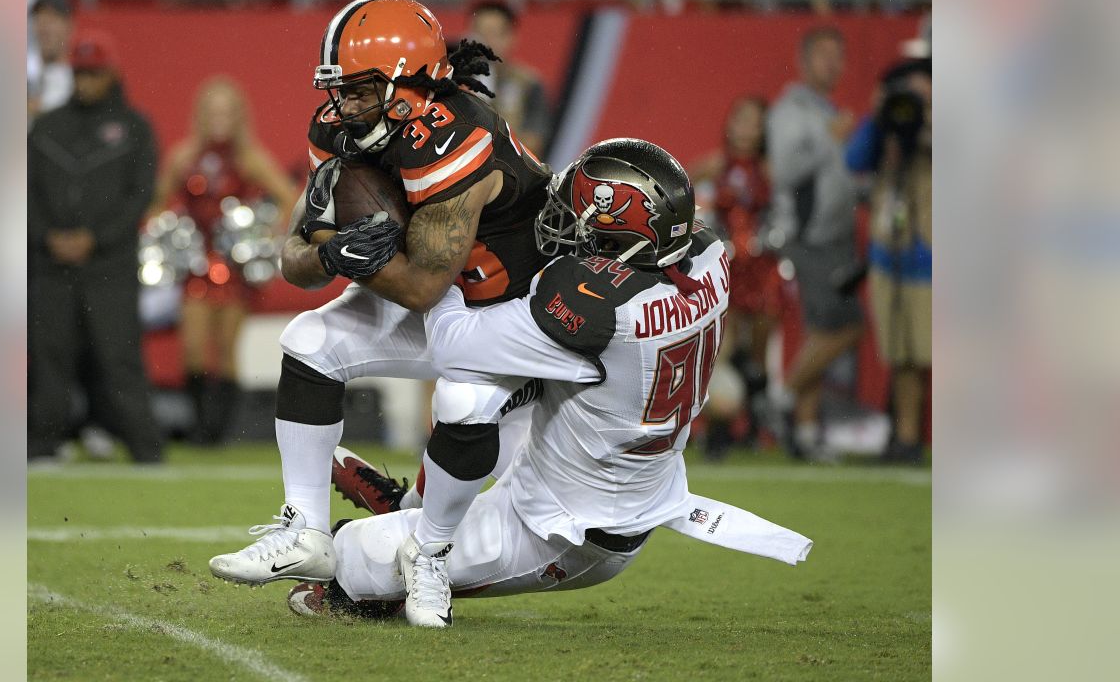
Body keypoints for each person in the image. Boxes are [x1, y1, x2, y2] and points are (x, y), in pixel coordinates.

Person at [286, 139, 811, 622]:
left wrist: (438, 265)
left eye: (583, 221)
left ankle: (404, 543)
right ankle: (413, 508)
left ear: (619, 238)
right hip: (588, 459)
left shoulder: (598, 310)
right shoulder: (707, 254)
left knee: (351, 560)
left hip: (566, 530)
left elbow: (451, 344)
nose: (567, 226)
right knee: (491, 396)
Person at [206, 0, 553, 628]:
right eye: (339, 89)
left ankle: (411, 528)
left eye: (362, 89)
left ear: (411, 84)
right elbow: (295, 255)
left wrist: (354, 260)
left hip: (518, 321)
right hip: (449, 301)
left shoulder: (457, 133)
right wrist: (335, 252)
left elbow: (420, 286)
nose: (345, 105)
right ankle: (306, 529)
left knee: (481, 514)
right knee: (309, 338)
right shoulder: (339, 129)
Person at [28, 30, 164, 464]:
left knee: (118, 356)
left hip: (110, 263)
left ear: (110, 73)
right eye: (79, 73)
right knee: (48, 357)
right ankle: (40, 446)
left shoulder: (135, 128)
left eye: (93, 73)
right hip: (49, 261)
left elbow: (140, 194)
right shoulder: (47, 127)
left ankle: (146, 450)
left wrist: (94, 237)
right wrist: (46, 235)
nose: (85, 81)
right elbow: (24, 190)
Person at [151, 76, 298, 446]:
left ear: (238, 116)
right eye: (213, 111)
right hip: (194, 265)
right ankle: (200, 427)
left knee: (227, 348)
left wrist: (265, 237)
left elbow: (289, 197)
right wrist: (166, 236)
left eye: (227, 111)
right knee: (194, 348)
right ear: (201, 115)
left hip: (233, 270)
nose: (220, 118)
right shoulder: (184, 157)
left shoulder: (250, 158)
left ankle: (219, 433)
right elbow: (158, 202)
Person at [766, 26, 862, 461]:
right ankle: (782, 399)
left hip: (835, 235)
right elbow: (785, 170)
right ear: (804, 61)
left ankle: (804, 434)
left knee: (818, 332)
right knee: (844, 327)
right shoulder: (791, 111)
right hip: (810, 237)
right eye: (823, 55)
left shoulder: (826, 109)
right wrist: (831, 139)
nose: (832, 63)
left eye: (838, 55)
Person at [687, 96, 779, 458]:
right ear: (729, 124)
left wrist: (770, 237)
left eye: (755, 123)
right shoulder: (714, 165)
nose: (746, 129)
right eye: (741, 120)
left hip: (761, 270)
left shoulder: (769, 171)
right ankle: (716, 431)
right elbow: (681, 197)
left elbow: (783, 211)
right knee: (718, 348)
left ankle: (756, 428)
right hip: (724, 268)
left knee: (758, 354)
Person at [866, 59, 931, 464]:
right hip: (889, 256)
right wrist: (878, 119)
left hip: (933, 255)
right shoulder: (886, 127)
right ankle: (906, 438)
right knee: (903, 354)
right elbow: (855, 160)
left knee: (934, 353)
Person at [465, 1, 553, 157]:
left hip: (512, 172)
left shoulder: (529, 83)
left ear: (511, 37)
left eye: (493, 33)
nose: (485, 42)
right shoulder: (454, 81)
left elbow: (534, 141)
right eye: (480, 34)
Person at [26, 0, 74, 124]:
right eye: (39, 19)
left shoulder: (79, 79)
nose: (44, 27)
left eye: (52, 19)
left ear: (69, 26)